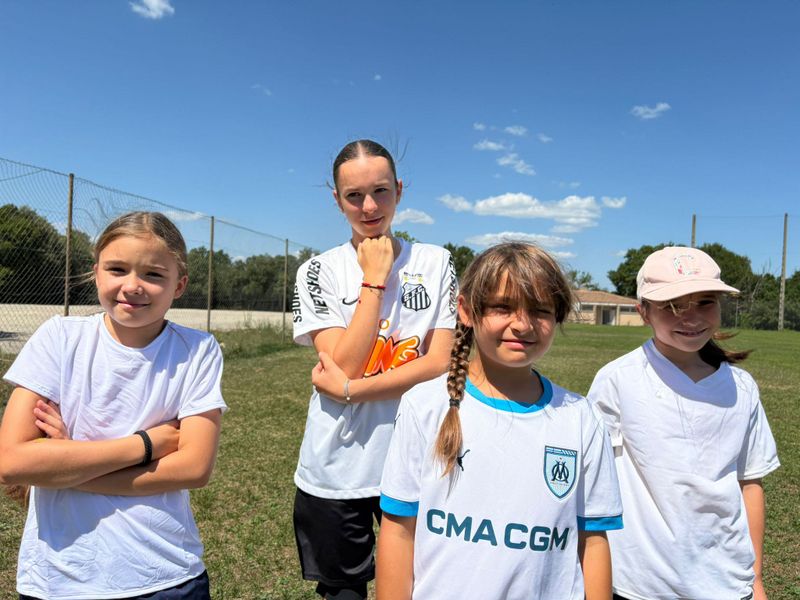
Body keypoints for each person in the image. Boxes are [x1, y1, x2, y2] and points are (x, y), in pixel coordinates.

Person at [376, 242, 623, 600]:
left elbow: (594, 539)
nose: (522, 324)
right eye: (502, 307)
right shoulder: (424, 406)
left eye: (540, 310)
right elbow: (399, 531)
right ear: (466, 310)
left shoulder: (581, 418)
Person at [0, 211, 226, 600]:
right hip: (58, 579)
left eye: (153, 274)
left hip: (165, 576)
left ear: (179, 285)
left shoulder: (198, 350)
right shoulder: (59, 338)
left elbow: (193, 468)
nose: (132, 286)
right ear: (96, 273)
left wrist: (68, 466)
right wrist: (146, 445)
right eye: (117, 269)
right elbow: (12, 463)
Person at [291, 139, 457, 600]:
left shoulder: (435, 261)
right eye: (354, 196)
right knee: (342, 590)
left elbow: (439, 361)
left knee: (424, 583)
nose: (369, 207)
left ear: (399, 190)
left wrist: (351, 391)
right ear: (337, 199)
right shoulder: (316, 271)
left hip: (418, 458)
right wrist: (375, 279)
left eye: (380, 191)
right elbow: (344, 363)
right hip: (337, 466)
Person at [588, 246, 780, 600]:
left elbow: (750, 482)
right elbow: (594, 486)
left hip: (727, 581)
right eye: (672, 306)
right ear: (643, 311)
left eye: (705, 302)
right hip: (641, 584)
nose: (690, 318)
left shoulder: (741, 387)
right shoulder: (618, 379)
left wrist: (755, 579)